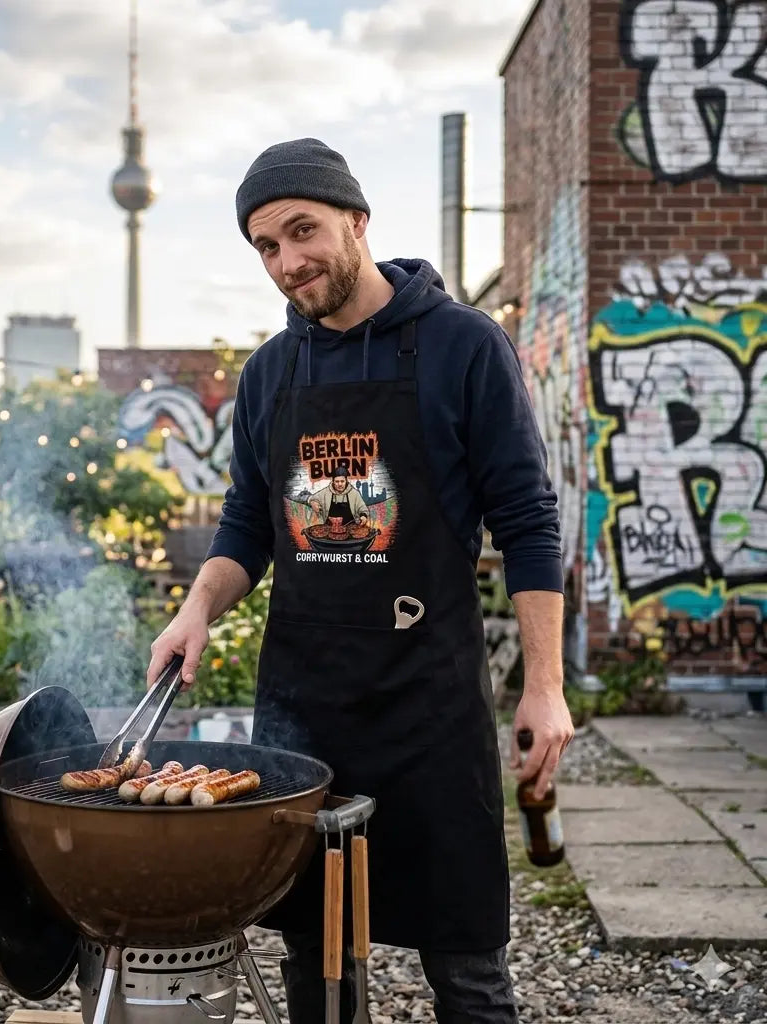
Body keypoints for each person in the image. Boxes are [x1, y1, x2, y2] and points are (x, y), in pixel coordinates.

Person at [147, 138, 574, 1024]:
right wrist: (196, 610)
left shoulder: (464, 345)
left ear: (357, 220)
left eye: (302, 231)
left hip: (431, 702)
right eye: (265, 247)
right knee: (317, 955)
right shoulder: (271, 372)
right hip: (308, 705)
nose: (287, 262)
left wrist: (545, 688)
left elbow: (528, 523)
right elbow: (246, 527)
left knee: (465, 960)